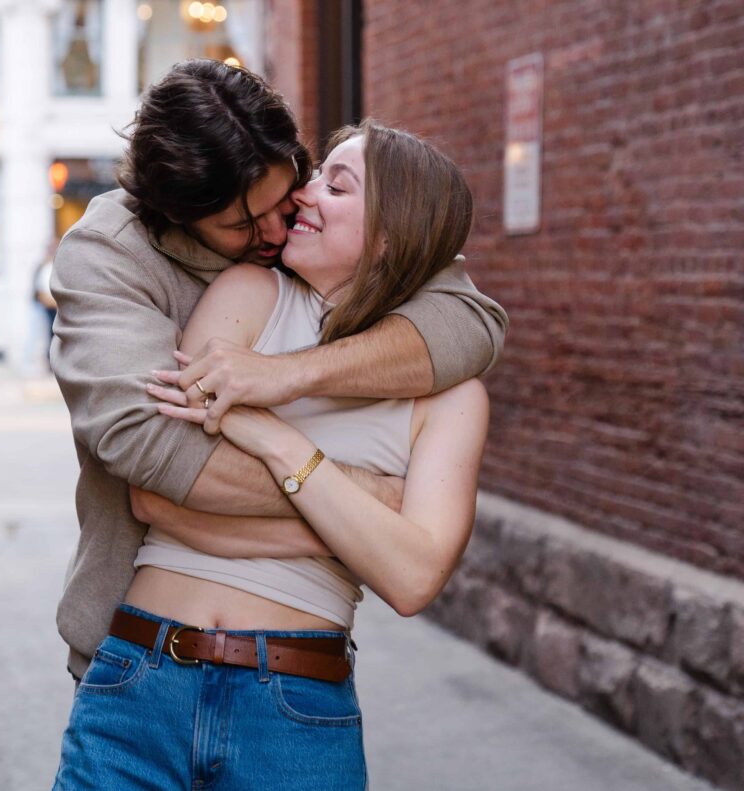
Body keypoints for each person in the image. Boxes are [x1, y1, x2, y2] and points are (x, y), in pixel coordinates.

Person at [49, 60, 505, 781]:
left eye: (322, 180)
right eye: (241, 221)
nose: (287, 215)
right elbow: (157, 487)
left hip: (296, 703)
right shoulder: (230, 286)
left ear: (391, 236)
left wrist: (276, 421)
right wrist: (365, 516)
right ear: (184, 217)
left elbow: (415, 579)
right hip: (142, 672)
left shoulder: (444, 381)